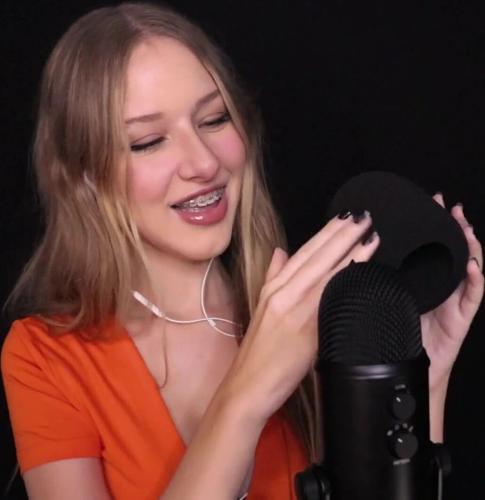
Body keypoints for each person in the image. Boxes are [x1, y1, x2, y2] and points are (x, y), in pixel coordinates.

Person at [1, 2, 483, 499]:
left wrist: (418, 381)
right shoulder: (45, 358)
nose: (203, 163)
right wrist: (248, 393)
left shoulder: (321, 318)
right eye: (148, 141)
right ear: (82, 176)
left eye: (214, 119)